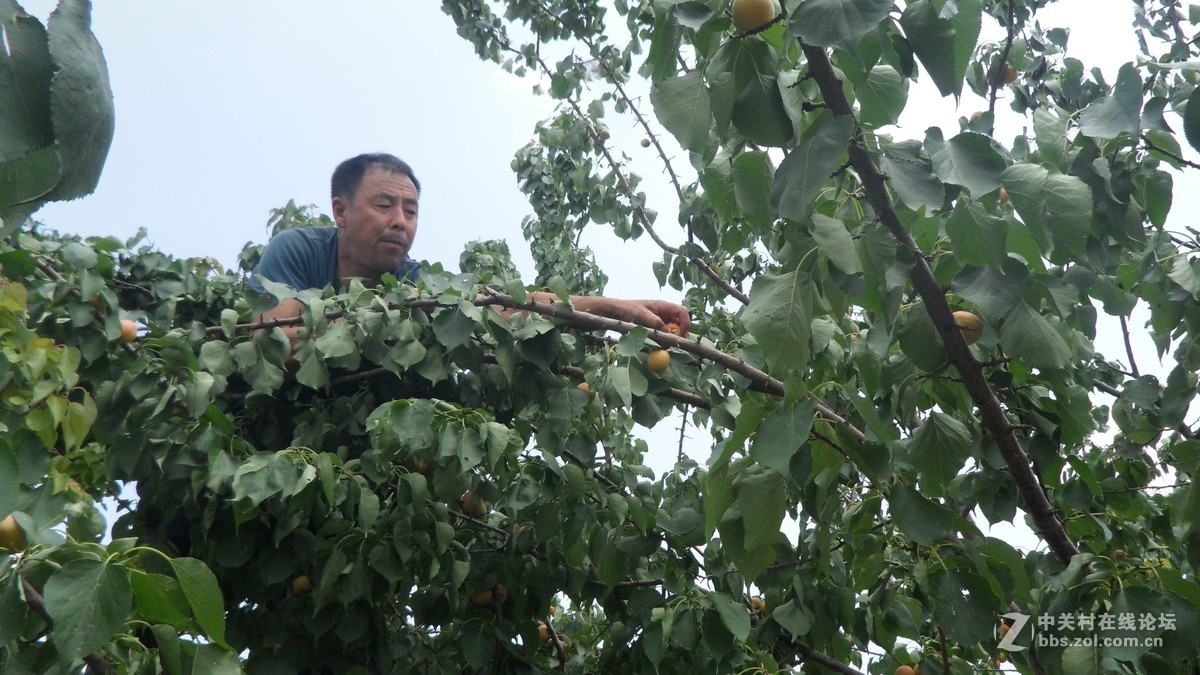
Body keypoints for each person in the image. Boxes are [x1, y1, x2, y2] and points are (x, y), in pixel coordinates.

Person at [249, 152, 691, 336]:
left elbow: (503, 309)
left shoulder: (411, 282)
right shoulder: (298, 250)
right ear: (341, 211)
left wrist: (618, 308)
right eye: (384, 205)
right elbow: (273, 339)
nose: (399, 221)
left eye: (410, 211)